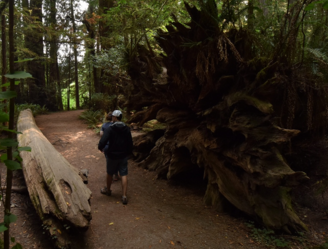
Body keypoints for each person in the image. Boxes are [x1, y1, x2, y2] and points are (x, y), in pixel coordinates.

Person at [98, 110, 133, 205]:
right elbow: (130, 142)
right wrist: (129, 153)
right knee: (124, 174)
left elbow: (103, 140)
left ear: (115, 117)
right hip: (123, 155)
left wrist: (100, 147)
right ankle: (124, 196)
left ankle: (108, 190)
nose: (112, 117)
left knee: (109, 173)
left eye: (113, 116)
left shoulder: (110, 128)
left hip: (112, 155)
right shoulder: (126, 129)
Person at [100, 113, 118, 181]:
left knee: (109, 161)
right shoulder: (117, 125)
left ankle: (110, 176)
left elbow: (101, 134)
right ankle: (116, 174)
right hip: (116, 146)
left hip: (107, 146)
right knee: (116, 160)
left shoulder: (104, 125)